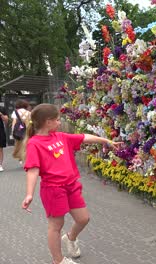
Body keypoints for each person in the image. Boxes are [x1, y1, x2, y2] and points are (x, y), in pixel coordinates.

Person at [21, 104, 122, 264]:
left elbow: (84, 137)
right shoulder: (35, 143)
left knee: (83, 218)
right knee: (56, 225)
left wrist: (105, 140)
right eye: (57, 120)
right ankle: (58, 260)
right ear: (48, 122)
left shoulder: (60, 136)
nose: (60, 123)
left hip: (71, 186)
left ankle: (70, 238)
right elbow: (32, 170)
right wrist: (29, 194)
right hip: (53, 189)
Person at [11, 99, 31, 163]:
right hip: (27, 130)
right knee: (27, 144)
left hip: (19, 130)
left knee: (19, 144)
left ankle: (20, 157)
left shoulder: (15, 112)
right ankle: (26, 158)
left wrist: (13, 131)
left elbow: (14, 122)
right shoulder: (29, 112)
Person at [0, 105, 9, 171]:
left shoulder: (1, 108)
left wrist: (1, 115)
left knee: (0, 148)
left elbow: (6, 120)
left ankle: (0, 165)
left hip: (0, 130)